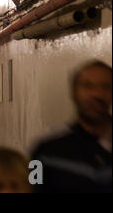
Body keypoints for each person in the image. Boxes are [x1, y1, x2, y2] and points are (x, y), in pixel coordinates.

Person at [32, 60, 112, 193]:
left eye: (105, 86)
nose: (97, 94)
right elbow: (32, 188)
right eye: (88, 86)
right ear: (74, 92)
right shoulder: (45, 152)